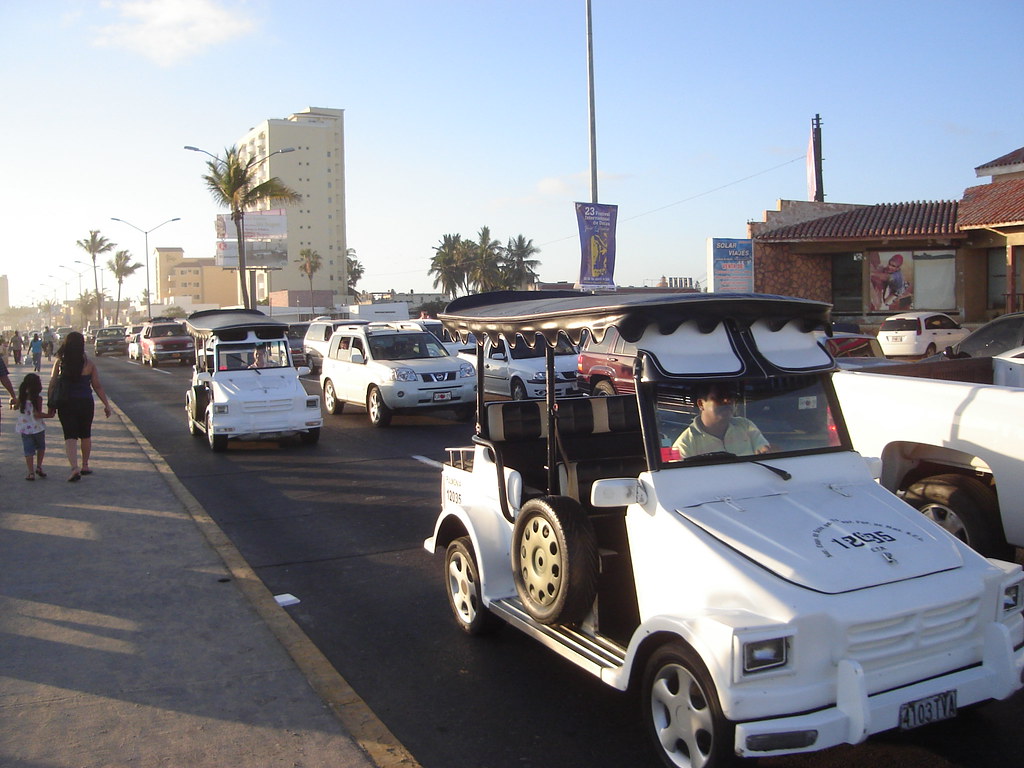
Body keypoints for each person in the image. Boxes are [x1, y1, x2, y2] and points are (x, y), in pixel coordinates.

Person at [48, 331, 113, 482]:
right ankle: (85, 465)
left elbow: (52, 384)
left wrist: (50, 403)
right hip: (85, 403)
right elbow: (97, 386)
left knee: (70, 436)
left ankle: (74, 468)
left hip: (66, 403)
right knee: (85, 434)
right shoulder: (89, 364)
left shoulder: (60, 362)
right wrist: (107, 405)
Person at [672, 382, 770, 458]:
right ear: (701, 404)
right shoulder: (684, 445)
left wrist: (769, 451)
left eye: (731, 396)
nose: (727, 401)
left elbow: (765, 451)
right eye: (720, 397)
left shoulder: (745, 425)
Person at [16, 372, 51, 480]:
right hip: (37, 428)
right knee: (41, 447)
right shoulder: (37, 398)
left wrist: (12, 403)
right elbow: (37, 414)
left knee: (28, 451)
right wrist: (49, 415)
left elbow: (15, 406)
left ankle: (31, 472)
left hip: (25, 428)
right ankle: (39, 467)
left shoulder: (21, 398)